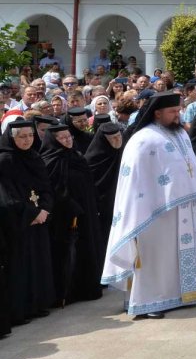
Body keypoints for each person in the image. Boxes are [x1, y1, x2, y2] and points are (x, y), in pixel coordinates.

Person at [102, 92, 196, 318]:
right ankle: (149, 302)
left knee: (175, 255)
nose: (177, 115)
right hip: (153, 213)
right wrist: (152, 203)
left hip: (182, 208)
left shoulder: (181, 134)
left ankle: (182, 294)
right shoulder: (143, 139)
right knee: (155, 259)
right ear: (157, 113)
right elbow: (134, 180)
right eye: (172, 112)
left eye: (178, 111)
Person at [0, 118, 55, 326]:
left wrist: (46, 209)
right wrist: (32, 213)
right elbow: (6, 195)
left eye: (30, 135)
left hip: (39, 218)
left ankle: (38, 303)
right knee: (21, 265)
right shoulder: (5, 160)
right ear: (12, 138)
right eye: (22, 137)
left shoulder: (34, 157)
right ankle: (22, 309)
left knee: (39, 262)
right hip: (19, 221)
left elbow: (46, 187)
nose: (27, 140)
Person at [41, 123, 103, 305]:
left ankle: (90, 287)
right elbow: (54, 189)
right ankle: (69, 292)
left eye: (69, 137)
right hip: (66, 216)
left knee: (88, 248)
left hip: (87, 211)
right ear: (53, 140)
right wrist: (70, 204)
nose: (67, 140)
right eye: (62, 138)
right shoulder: (51, 160)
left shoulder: (77, 156)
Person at [84, 122, 124, 237]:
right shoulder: (92, 159)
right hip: (103, 204)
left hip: (123, 200)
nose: (117, 140)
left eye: (119, 136)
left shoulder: (125, 152)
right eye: (113, 138)